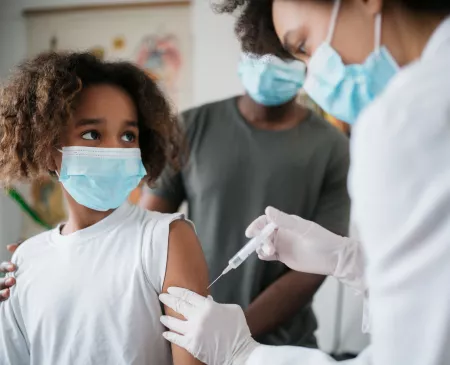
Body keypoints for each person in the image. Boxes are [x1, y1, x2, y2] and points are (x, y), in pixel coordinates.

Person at [154, 0, 450, 364]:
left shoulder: (400, 123)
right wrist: (353, 262)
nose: (310, 78)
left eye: (303, 47)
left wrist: (244, 353)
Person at [0, 51, 208, 365]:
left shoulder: (165, 239)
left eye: (128, 136)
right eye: (92, 134)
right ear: (47, 151)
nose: (115, 150)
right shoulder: (25, 261)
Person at [139, 52, 351, 347]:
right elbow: (147, 235)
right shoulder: (190, 127)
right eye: (258, 50)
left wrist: (233, 332)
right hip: (193, 342)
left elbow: (319, 264)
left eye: (282, 52)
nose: (269, 63)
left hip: (283, 349)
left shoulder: (333, 147)